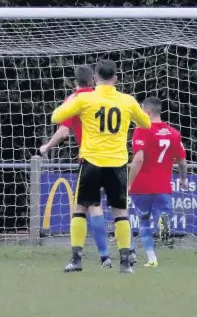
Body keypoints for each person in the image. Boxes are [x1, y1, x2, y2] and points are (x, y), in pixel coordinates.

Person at [50, 59, 151, 274]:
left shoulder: (85, 98)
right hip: (116, 163)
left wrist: (74, 102)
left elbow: (56, 116)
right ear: (115, 78)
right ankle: (125, 263)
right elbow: (146, 124)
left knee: (80, 210)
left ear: (95, 77)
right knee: (120, 213)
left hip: (92, 162)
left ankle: (76, 259)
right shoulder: (127, 101)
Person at [40, 66, 112, 268]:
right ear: (93, 80)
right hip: (113, 158)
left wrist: (47, 146)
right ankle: (113, 255)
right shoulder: (106, 97)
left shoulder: (76, 99)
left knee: (81, 207)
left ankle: (81, 258)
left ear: (75, 82)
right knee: (105, 208)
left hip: (90, 159)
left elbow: (63, 132)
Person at [127, 96, 188, 268]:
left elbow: (138, 160)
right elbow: (182, 162)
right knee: (160, 214)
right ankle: (162, 220)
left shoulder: (141, 130)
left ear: (147, 112)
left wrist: (130, 183)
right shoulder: (174, 133)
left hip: (142, 186)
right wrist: (183, 179)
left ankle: (151, 257)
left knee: (143, 221)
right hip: (163, 186)